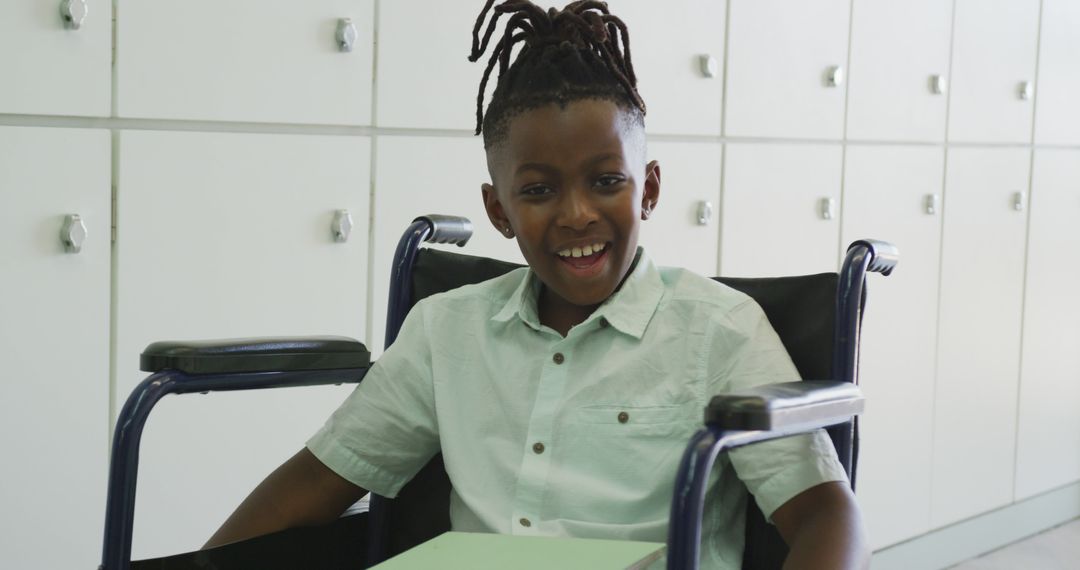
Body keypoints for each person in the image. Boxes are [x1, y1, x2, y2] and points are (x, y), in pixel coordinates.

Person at [205, 1, 869, 568]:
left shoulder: (720, 330)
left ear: (650, 190)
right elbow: (316, 483)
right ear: (499, 211)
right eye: (539, 190)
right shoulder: (447, 331)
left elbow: (822, 513)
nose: (577, 213)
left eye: (607, 181)